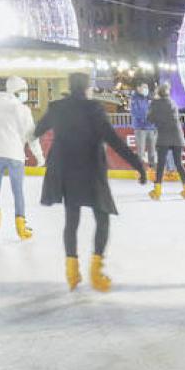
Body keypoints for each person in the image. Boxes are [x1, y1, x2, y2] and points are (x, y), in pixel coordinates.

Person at [36, 72, 147, 292]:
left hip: (66, 171)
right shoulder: (94, 109)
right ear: (87, 88)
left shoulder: (58, 107)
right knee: (102, 218)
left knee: (72, 220)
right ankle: (96, 271)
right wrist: (138, 165)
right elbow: (113, 140)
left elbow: (38, 129)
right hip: (91, 170)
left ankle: (72, 271)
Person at [0, 77, 37, 241]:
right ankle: (21, 225)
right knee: (17, 191)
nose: (25, 95)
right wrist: (38, 156)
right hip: (15, 155)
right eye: (24, 91)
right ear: (18, 91)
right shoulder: (21, 109)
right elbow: (31, 134)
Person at [146, 83, 185, 200]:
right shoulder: (172, 103)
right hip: (177, 136)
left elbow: (149, 119)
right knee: (179, 164)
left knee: (161, 165)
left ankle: (157, 190)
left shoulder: (155, 104)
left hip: (163, 137)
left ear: (158, 93)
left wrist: (153, 105)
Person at [128, 85, 155, 181]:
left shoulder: (150, 98)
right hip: (140, 128)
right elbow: (135, 112)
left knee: (152, 150)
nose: (145, 89)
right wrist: (146, 119)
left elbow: (154, 111)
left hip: (151, 128)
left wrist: (153, 122)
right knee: (141, 151)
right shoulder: (134, 99)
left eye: (147, 87)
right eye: (143, 87)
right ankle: (139, 171)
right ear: (138, 88)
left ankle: (152, 171)